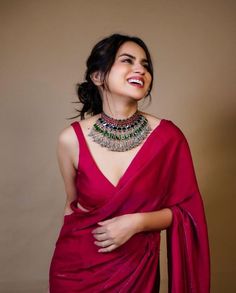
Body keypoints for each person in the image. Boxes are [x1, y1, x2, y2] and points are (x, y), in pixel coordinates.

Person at [49, 33, 210, 292]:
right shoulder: (70, 140)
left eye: (145, 65)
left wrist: (137, 223)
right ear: (98, 76)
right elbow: (72, 206)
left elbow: (188, 213)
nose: (140, 69)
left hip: (136, 272)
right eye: (127, 60)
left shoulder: (168, 138)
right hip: (76, 270)